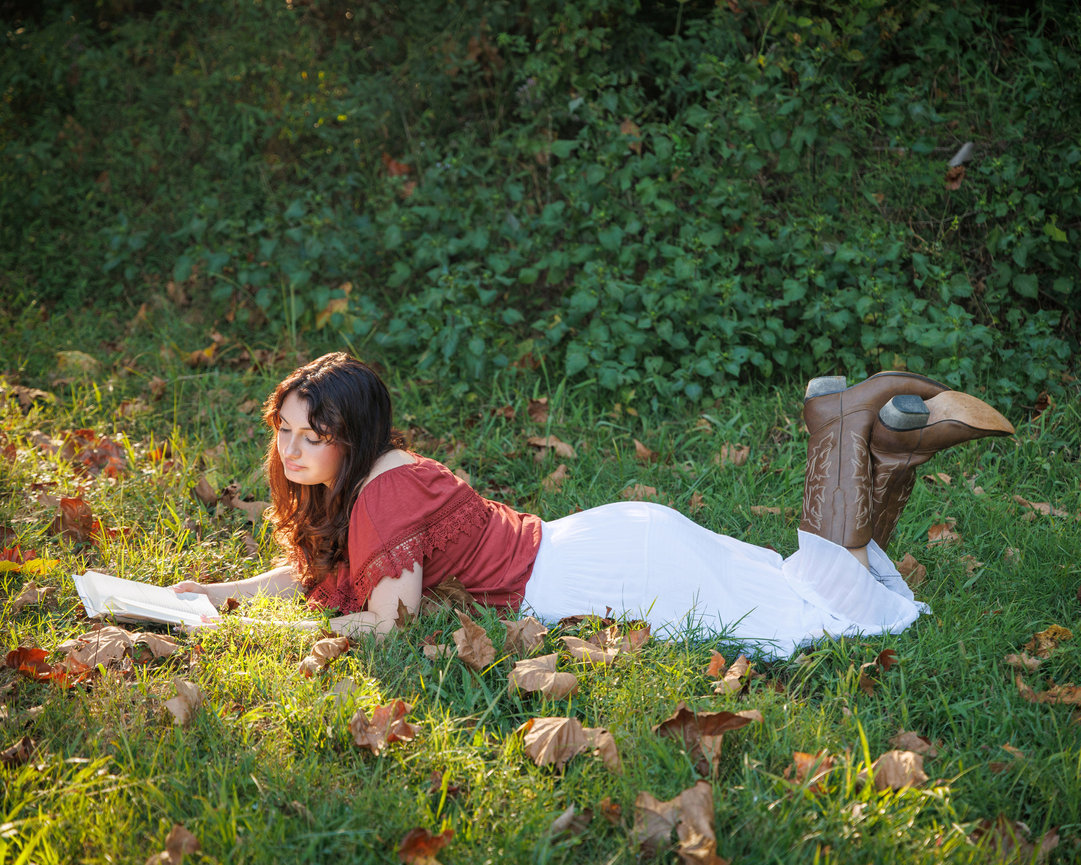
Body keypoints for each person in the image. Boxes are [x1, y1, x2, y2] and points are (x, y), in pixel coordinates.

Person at [173, 353, 1014, 658]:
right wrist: (220, 597)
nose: (289, 450)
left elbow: (387, 626)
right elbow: (316, 576)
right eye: (282, 429)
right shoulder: (374, 481)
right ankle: (891, 445)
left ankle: (837, 431)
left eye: (310, 434)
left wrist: (249, 635)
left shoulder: (384, 496)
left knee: (808, 616)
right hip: (601, 543)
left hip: (595, 568)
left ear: (351, 436)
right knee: (801, 593)